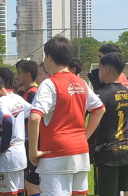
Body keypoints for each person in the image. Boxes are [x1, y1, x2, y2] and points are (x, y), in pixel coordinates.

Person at [28, 36, 106, 196]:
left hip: (55, 153)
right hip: (80, 151)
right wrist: (83, 137)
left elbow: (35, 117)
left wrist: (33, 151)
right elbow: (99, 110)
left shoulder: (49, 83)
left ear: (49, 57)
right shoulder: (81, 82)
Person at [0, 74, 31, 196]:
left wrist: (4, 146)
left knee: (7, 192)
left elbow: (8, 120)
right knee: (19, 191)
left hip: (6, 156)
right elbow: (32, 113)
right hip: (20, 152)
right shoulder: (17, 98)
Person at [93, 52, 128, 196]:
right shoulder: (127, 91)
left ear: (106, 70)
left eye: (100, 68)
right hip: (125, 150)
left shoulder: (100, 95)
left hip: (107, 155)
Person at [17, 61, 40, 196]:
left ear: (28, 75)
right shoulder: (25, 91)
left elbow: (32, 116)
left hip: (28, 136)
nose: (17, 76)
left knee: (28, 170)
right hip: (25, 135)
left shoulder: (33, 93)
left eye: (19, 73)